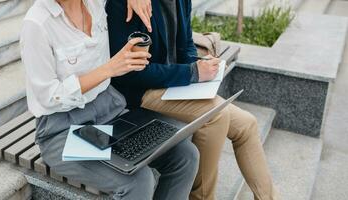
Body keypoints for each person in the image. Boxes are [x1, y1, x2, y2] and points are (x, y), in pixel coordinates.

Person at [20, 0, 200, 199]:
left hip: (110, 111)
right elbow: (48, 96)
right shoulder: (37, 24)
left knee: (185, 156)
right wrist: (108, 69)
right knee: (139, 181)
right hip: (62, 129)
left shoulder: (96, 4)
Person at [106, 0, 281, 199]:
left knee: (247, 124)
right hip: (139, 92)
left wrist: (200, 64)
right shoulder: (126, 4)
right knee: (216, 116)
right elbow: (130, 73)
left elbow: (187, 46)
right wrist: (192, 72)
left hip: (174, 85)